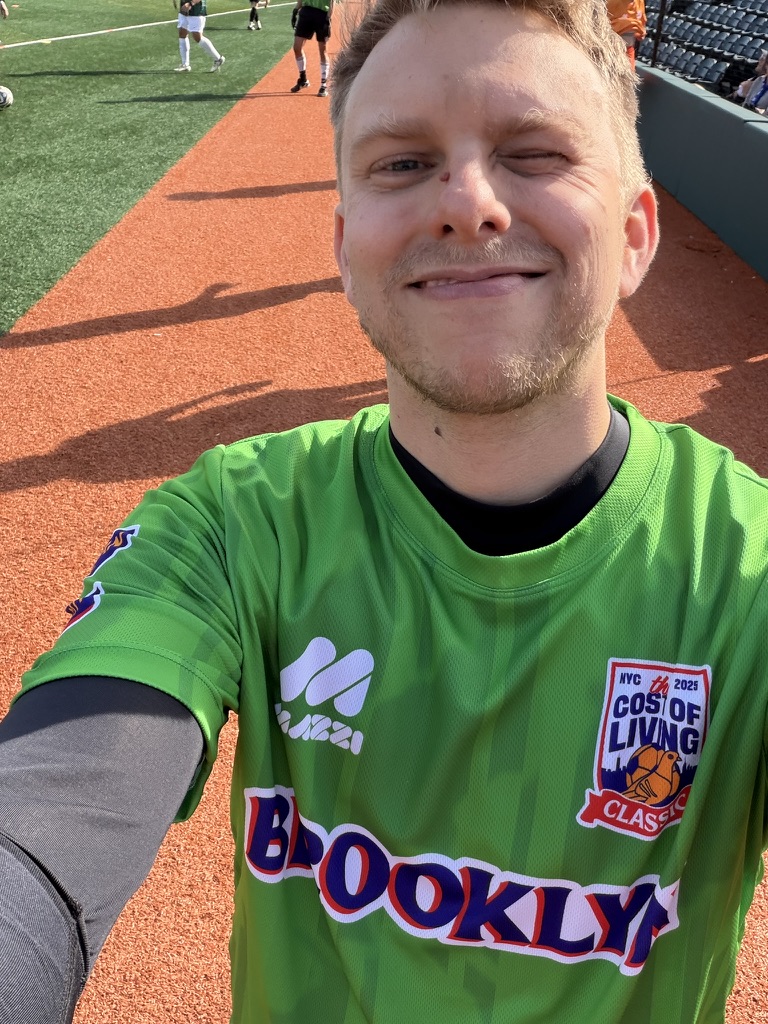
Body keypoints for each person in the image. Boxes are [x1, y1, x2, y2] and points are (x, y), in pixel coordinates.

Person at [3, 1, 768, 1022]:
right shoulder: (229, 524)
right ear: (344, 245)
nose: (468, 204)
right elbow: (48, 818)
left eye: (535, 152)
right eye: (402, 164)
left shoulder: (747, 572)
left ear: (635, 235)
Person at [290, 0, 333, 96]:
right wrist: (296, 10)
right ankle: (303, 79)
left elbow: (332, 2)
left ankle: (323, 85)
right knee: (297, 47)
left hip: (321, 14)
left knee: (322, 50)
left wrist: (329, 18)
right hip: (306, 13)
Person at [172, 0, 225, 72]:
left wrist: (191, 3)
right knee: (182, 33)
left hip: (196, 10)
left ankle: (218, 59)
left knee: (198, 37)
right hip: (184, 10)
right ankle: (185, 64)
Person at [607, 0, 646, 68]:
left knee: (629, 73)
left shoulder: (640, 1)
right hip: (611, 47)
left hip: (629, 48)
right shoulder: (613, 2)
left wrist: (640, 31)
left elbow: (642, 20)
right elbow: (605, 22)